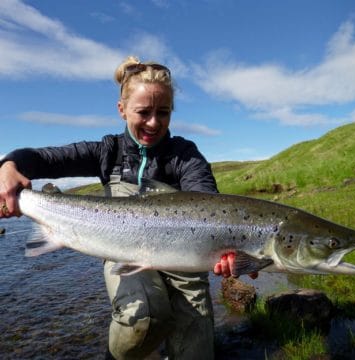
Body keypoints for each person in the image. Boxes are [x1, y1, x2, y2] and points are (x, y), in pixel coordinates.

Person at [0, 56, 245, 359]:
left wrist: (234, 252)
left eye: (163, 112)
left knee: (195, 351)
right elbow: (39, 159)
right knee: (140, 320)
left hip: (187, 265)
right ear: (122, 110)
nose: (154, 122)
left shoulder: (186, 155)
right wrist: (8, 167)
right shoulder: (107, 151)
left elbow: (208, 203)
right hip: (123, 253)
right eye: (143, 112)